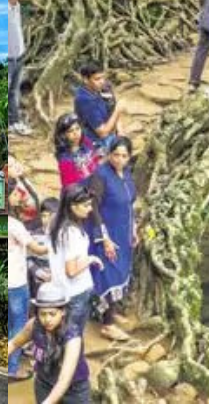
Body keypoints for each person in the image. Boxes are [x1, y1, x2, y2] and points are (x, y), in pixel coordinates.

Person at [88, 137, 138, 342]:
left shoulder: (125, 174)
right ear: (109, 154)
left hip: (123, 232)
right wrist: (104, 238)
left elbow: (130, 203)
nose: (119, 159)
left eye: (124, 155)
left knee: (119, 275)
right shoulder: (101, 175)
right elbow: (93, 207)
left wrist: (134, 228)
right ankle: (107, 325)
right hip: (107, 233)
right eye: (116, 154)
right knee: (108, 275)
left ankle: (112, 313)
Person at [7, 283, 91, 404]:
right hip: (44, 383)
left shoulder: (72, 337)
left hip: (74, 389)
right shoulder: (34, 326)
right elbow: (14, 344)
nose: (47, 319)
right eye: (43, 314)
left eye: (52, 314)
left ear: (63, 312)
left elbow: (64, 380)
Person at [48, 182, 102, 332]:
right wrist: (91, 259)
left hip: (63, 290)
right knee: (73, 338)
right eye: (86, 205)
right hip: (76, 292)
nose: (90, 209)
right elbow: (71, 271)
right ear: (73, 206)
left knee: (67, 336)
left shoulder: (56, 225)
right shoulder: (71, 233)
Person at [9, 182, 49, 382]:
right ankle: (12, 368)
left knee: (9, 325)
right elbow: (38, 249)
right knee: (18, 327)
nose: (19, 195)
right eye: (15, 193)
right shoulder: (15, 225)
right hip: (16, 284)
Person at [73, 63, 123, 149]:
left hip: (109, 133)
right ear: (85, 80)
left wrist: (120, 129)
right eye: (97, 79)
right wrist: (118, 111)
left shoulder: (103, 88)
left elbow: (112, 107)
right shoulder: (85, 100)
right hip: (95, 142)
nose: (102, 81)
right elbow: (102, 133)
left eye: (103, 77)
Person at [9, 0, 33, 136]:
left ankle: (14, 122)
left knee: (14, 91)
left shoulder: (17, 7)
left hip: (19, 56)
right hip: (8, 58)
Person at [53, 114, 101, 189]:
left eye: (77, 128)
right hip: (81, 194)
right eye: (70, 131)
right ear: (63, 135)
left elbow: (96, 161)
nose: (75, 133)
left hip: (97, 185)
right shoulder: (65, 160)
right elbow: (72, 187)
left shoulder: (86, 142)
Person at [6, 155, 42, 229]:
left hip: (36, 224)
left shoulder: (21, 179)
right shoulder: (10, 188)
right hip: (24, 231)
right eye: (11, 166)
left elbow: (36, 200)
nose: (17, 166)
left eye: (16, 162)